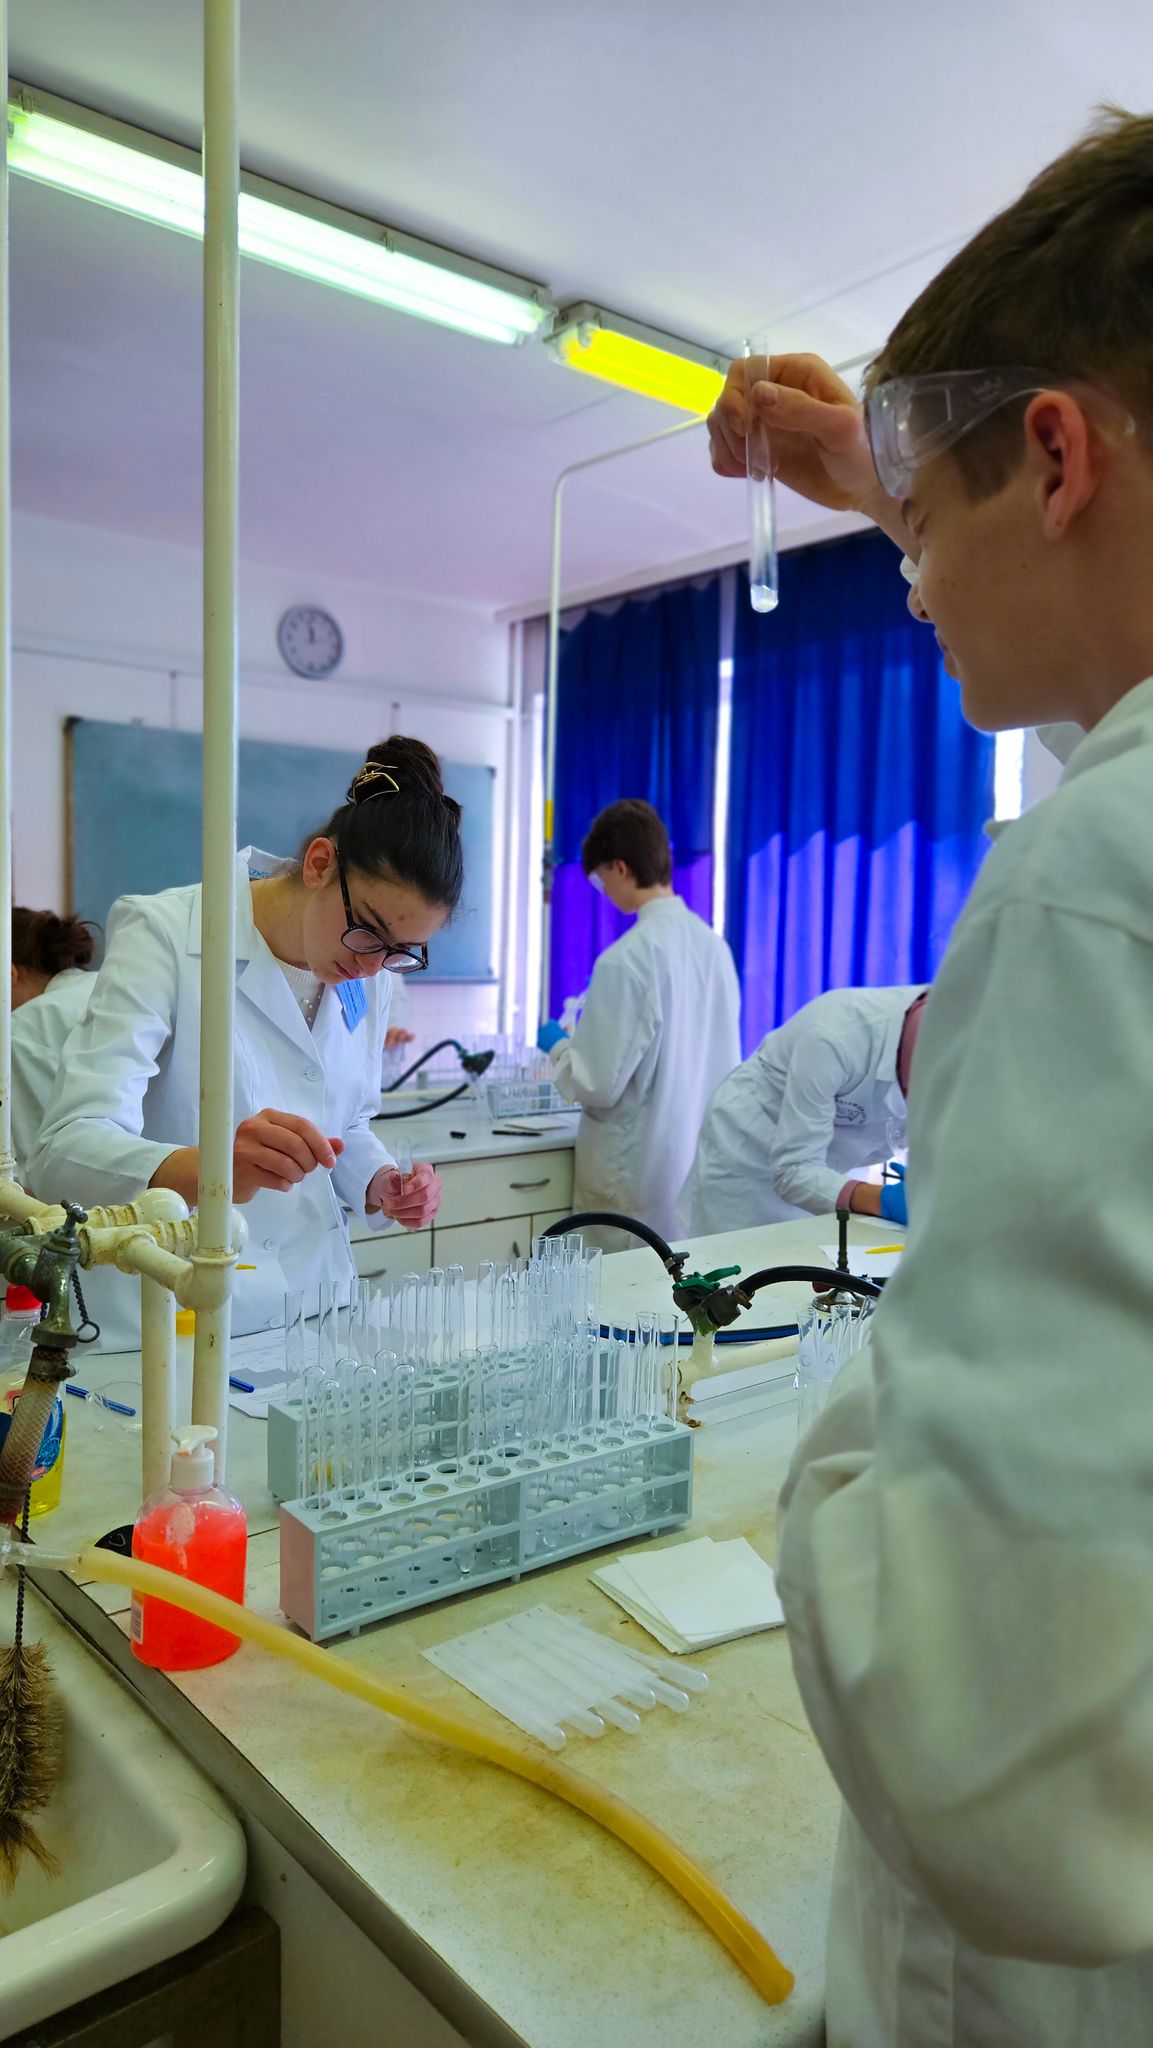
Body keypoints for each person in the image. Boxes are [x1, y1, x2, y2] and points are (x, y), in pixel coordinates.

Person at [708, 110, 1153, 2047]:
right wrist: (890, 470)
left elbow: (981, 1742)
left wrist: (840, 1435)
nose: (912, 583)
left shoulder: (1089, 886)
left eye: (921, 536)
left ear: (1056, 456)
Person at [32, 738, 451, 1341]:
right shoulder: (168, 934)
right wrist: (211, 1169)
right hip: (179, 1313)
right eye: (368, 930)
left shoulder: (368, 971)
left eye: (401, 951)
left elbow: (346, 1123)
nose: (372, 965)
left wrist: (381, 1182)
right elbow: (65, 1149)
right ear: (319, 863)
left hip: (315, 1311)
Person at [538, 799, 740, 1249]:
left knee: (621, 1289)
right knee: (675, 1285)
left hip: (634, 1181)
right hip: (690, 1172)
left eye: (601, 878)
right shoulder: (714, 949)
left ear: (620, 868)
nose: (603, 890)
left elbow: (596, 1084)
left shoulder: (627, 960)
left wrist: (559, 1047)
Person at [678, 984, 925, 1238]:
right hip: (752, 1155)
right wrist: (881, 1200)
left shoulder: (948, 1027)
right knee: (740, 1254)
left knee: (828, 1252)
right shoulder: (835, 1035)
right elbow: (793, 1170)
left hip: (838, 1162)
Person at [9, 906, 99, 1180]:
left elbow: (32, 1174)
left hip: (85, 1198)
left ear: (9, 975)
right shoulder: (107, 986)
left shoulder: (23, 1030)